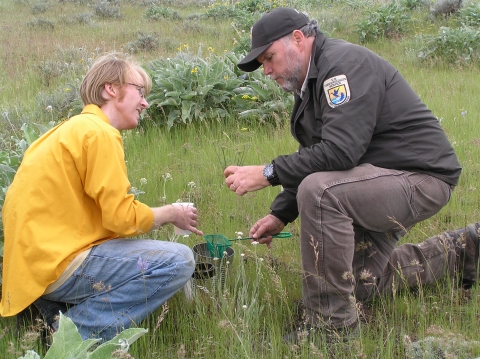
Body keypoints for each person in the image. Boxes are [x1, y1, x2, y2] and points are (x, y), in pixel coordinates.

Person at [224, 7, 479, 345]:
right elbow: (319, 157)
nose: (267, 71)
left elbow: (340, 153)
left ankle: (332, 331)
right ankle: (465, 248)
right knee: (358, 283)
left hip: (421, 178)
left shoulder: (342, 67)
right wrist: (279, 214)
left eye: (269, 58)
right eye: (262, 65)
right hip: (377, 179)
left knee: (321, 192)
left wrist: (269, 173)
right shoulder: (311, 83)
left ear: (298, 39)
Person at [1, 53, 202, 341]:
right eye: (140, 91)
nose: (145, 102)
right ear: (111, 89)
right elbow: (121, 219)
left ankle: (49, 311)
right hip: (58, 265)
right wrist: (172, 213)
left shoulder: (69, 130)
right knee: (179, 260)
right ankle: (70, 336)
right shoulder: (98, 133)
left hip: (31, 269)